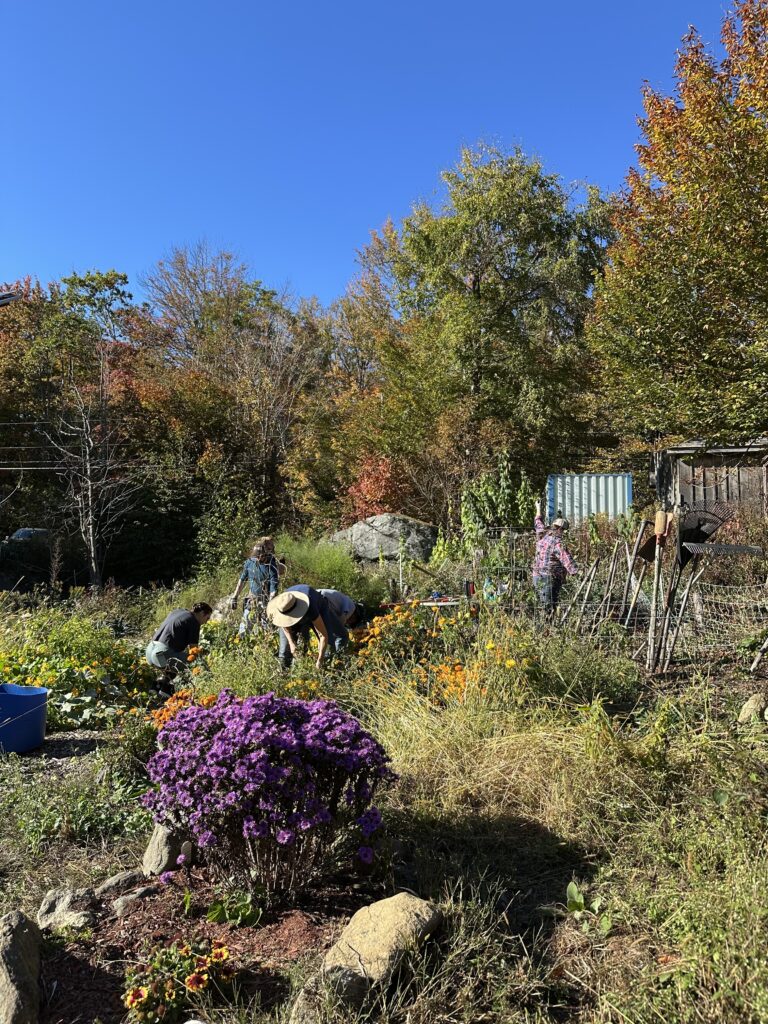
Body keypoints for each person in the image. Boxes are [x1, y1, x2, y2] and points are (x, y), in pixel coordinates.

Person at [267, 584, 348, 670]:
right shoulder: (282, 604)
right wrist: (291, 643)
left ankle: (325, 670)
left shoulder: (310, 607)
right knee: (285, 651)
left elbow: (323, 636)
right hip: (296, 608)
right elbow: (284, 623)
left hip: (318, 608)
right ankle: (283, 674)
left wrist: (320, 660)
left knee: (329, 646)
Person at [146, 602, 213, 693]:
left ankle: (157, 686)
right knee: (196, 663)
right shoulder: (194, 621)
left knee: (172, 665)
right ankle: (195, 690)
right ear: (202, 613)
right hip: (162, 653)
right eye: (207, 618)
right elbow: (194, 651)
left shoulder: (178, 611)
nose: (206, 622)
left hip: (150, 651)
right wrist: (204, 661)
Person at [532, 500, 577, 613]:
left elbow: (538, 522)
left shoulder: (542, 535)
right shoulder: (557, 543)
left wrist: (538, 507)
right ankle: (548, 623)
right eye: (564, 531)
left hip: (536, 576)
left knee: (540, 605)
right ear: (561, 530)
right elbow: (566, 559)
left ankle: (541, 622)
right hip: (549, 578)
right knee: (549, 608)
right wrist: (577, 573)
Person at [231, 543, 280, 635]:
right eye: (255, 556)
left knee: (267, 628)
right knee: (245, 626)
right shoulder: (250, 562)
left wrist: (269, 607)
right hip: (252, 599)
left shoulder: (271, 567)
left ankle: (267, 639)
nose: (257, 558)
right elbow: (242, 580)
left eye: (259, 556)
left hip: (266, 600)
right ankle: (242, 639)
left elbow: (273, 590)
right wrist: (235, 596)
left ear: (265, 554)